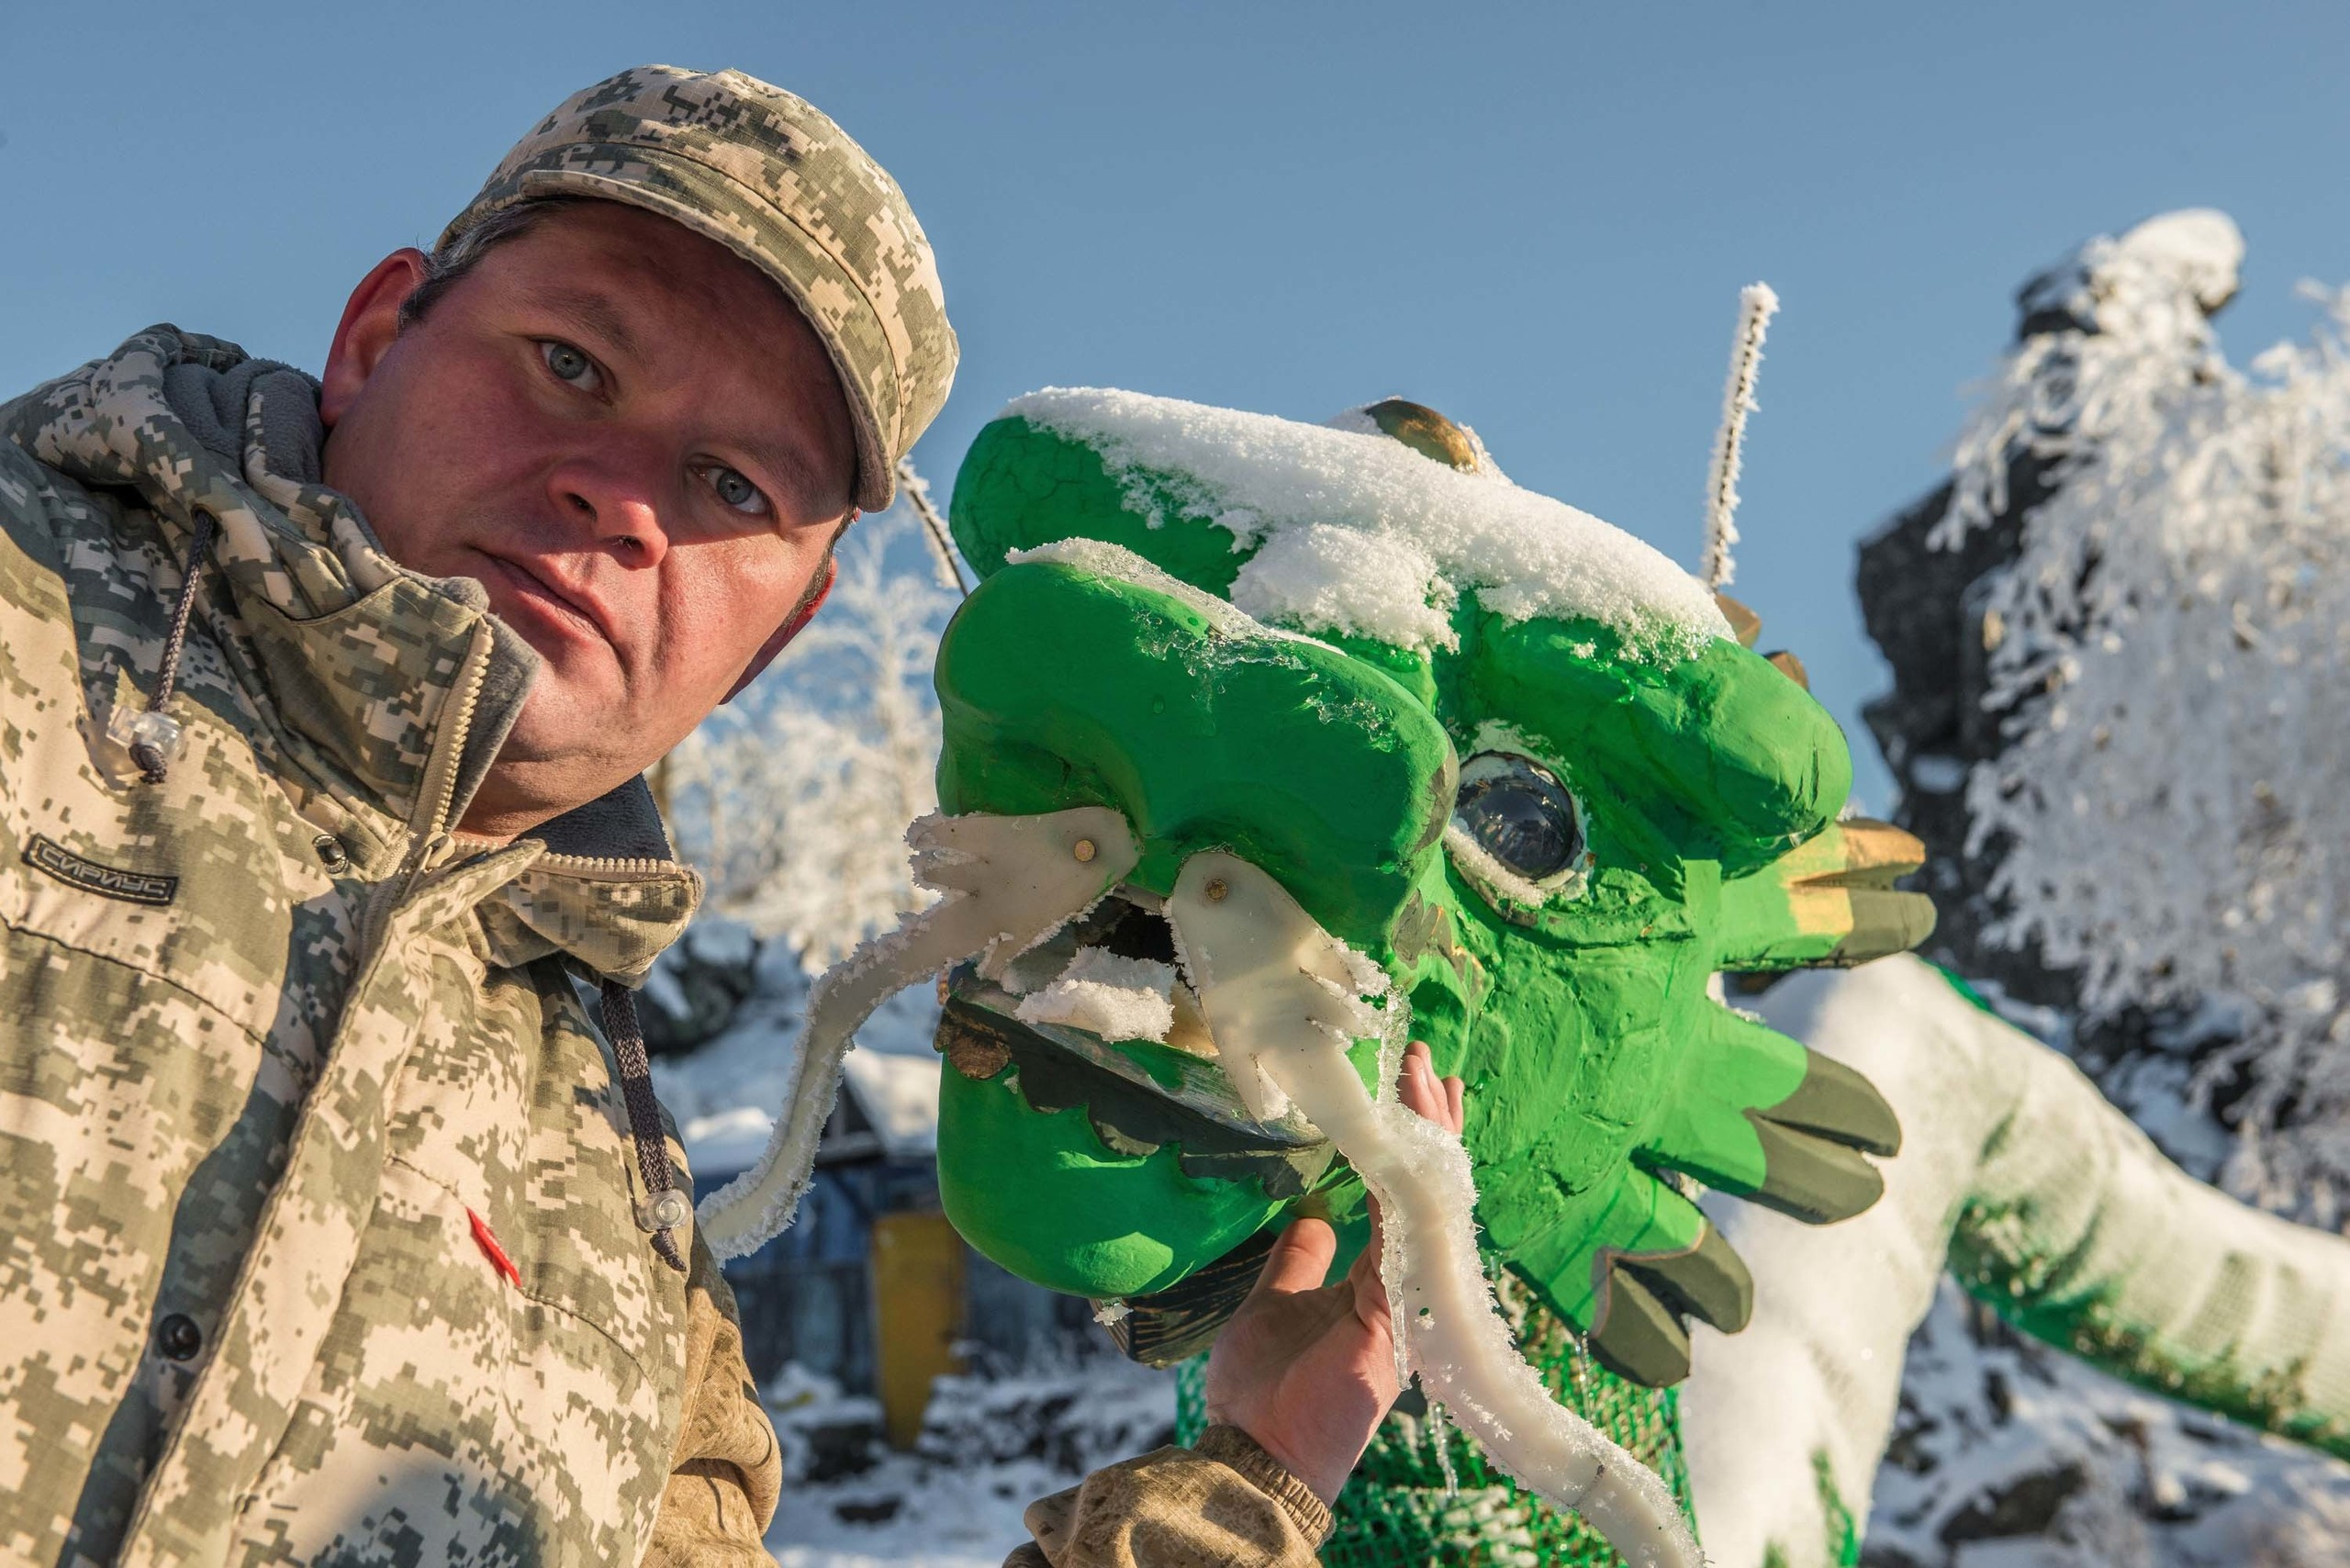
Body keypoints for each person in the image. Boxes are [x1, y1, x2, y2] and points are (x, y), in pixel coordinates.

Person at [0, 63, 1459, 1566]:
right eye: (570, 363)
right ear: (374, 342)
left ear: (782, 630)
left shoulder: (617, 1216)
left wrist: (1250, 1477)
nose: (623, 497)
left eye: (730, 485)